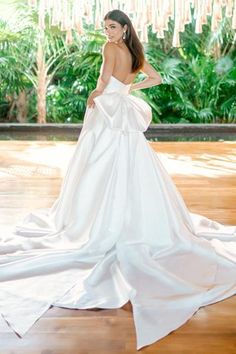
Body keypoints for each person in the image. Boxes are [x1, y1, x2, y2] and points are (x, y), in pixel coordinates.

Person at [0, 9, 235, 351]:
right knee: (126, 163)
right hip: (122, 106)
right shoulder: (134, 51)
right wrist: (130, 88)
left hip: (108, 111)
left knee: (95, 165)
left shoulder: (110, 50)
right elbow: (154, 79)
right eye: (105, 27)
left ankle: (92, 219)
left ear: (124, 27)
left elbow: (101, 81)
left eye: (112, 26)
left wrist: (95, 97)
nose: (107, 32)